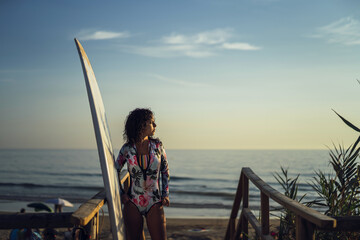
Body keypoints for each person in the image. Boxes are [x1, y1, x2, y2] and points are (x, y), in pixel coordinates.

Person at [116, 108, 170, 240]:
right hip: (133, 202)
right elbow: (115, 170)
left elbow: (165, 170)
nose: (155, 125)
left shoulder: (158, 146)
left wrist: (165, 194)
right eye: (152, 122)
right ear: (142, 125)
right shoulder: (127, 149)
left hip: (155, 201)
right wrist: (121, 193)